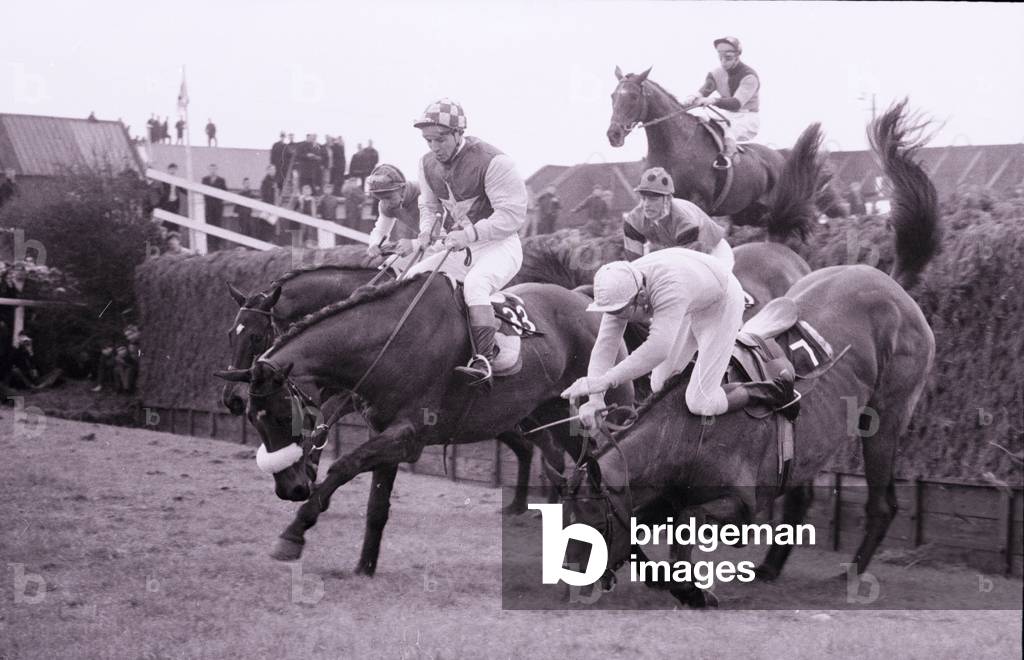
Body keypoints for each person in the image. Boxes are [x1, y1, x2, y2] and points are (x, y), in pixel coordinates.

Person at [561, 250, 793, 427]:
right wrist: (595, 399)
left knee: (700, 402)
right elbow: (605, 345)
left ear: (640, 296)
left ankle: (768, 391)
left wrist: (605, 381)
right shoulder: (623, 288)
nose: (616, 318)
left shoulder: (669, 288)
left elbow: (658, 348)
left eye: (620, 312)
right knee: (659, 384)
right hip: (693, 298)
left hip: (721, 300)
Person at [405, 98, 527, 386]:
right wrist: (425, 232)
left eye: (441, 139)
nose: (434, 147)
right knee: (412, 277)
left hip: (501, 245)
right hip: (462, 245)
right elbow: (429, 207)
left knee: (476, 285)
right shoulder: (426, 164)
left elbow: (511, 216)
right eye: (428, 140)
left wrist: (469, 235)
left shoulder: (495, 161)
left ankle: (483, 359)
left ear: (459, 133)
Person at [622, 167, 733, 268]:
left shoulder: (683, 219)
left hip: (715, 252)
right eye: (644, 198)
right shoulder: (633, 220)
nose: (646, 205)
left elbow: (686, 263)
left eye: (653, 199)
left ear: (667, 199)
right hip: (684, 253)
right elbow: (635, 263)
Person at [683, 36, 760, 170]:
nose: (723, 62)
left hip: (746, 117)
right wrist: (693, 97)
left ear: (737, 56)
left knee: (730, 131)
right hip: (726, 114)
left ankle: (727, 158)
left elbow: (736, 103)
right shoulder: (716, 73)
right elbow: (704, 90)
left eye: (728, 58)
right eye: (721, 58)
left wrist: (713, 100)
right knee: (702, 121)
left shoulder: (749, 76)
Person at [365, 164, 421, 258]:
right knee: (391, 263)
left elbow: (442, 237)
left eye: (388, 197)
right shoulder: (386, 205)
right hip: (430, 243)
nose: (386, 203)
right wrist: (374, 244)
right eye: (381, 199)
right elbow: (380, 230)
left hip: (449, 242)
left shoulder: (425, 194)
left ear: (402, 189)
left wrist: (413, 244)